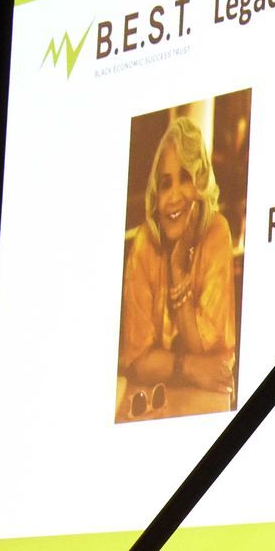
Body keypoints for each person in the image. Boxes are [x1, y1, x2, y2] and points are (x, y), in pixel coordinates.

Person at [117, 114, 238, 415]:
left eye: (186, 178)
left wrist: (178, 269)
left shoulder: (216, 232)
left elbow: (213, 357)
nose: (173, 197)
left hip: (210, 409)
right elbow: (140, 361)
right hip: (151, 407)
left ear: (201, 182)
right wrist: (188, 367)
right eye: (165, 183)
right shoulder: (145, 242)